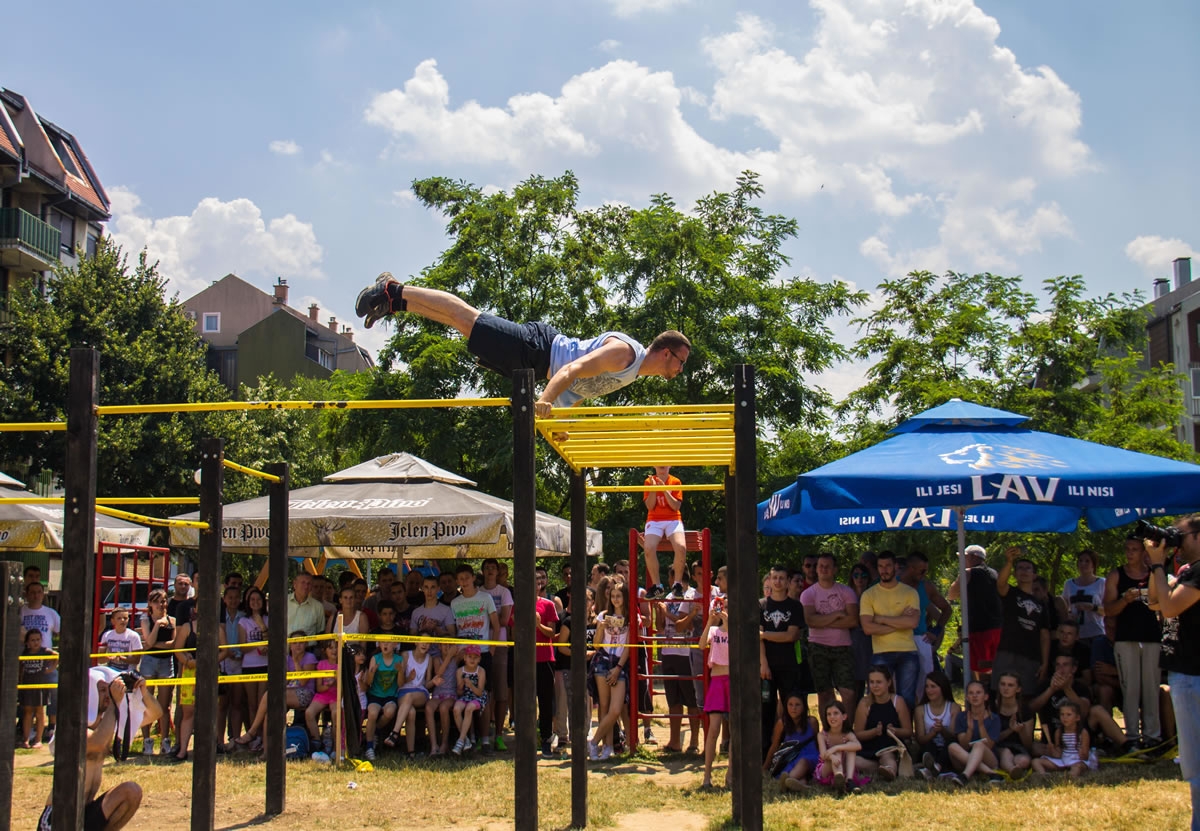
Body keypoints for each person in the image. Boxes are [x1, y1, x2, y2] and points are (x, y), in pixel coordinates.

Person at [354, 273, 691, 415]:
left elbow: (577, 392)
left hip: (535, 364)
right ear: (666, 352)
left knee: (465, 328)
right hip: (538, 348)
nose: (680, 369)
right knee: (469, 319)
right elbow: (572, 369)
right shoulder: (625, 353)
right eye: (681, 361)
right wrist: (544, 400)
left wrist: (557, 421)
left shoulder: (632, 373)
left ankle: (397, 304)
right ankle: (394, 289)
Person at [38, 669, 163, 831]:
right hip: (59, 815)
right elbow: (97, 742)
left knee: (131, 791)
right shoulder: (73, 726)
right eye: (102, 690)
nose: (107, 695)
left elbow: (155, 713)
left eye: (108, 689)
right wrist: (114, 704)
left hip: (86, 809)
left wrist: (143, 692)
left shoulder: (107, 724)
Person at [1147, 514, 1200, 829]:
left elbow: (1169, 608)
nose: (1175, 540)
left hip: (1194, 675)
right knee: (1193, 763)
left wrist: (1157, 564)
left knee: (1196, 763)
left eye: (1179, 535)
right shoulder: (1187, 572)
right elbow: (1156, 601)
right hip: (1184, 673)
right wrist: (1159, 565)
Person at [1105, 534, 1162, 748]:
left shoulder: (1154, 575)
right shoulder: (1116, 575)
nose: (1129, 553)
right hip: (1126, 638)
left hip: (1151, 638)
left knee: (1151, 688)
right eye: (1127, 549)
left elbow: (1164, 603)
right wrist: (1124, 601)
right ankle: (1131, 738)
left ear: (1143, 553)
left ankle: (1153, 737)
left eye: (1134, 549)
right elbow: (1108, 610)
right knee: (1130, 689)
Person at [858, 551, 921, 711]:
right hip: (881, 652)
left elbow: (913, 622)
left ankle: (905, 734)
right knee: (879, 697)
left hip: (907, 651)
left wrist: (881, 619)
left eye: (887, 566)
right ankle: (881, 732)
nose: (884, 570)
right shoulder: (869, 595)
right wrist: (900, 620)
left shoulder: (909, 592)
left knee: (907, 697)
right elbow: (867, 628)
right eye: (880, 566)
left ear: (895, 567)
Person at [801, 552, 860, 720]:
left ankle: (847, 730)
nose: (823, 569)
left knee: (848, 692)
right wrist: (837, 614)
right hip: (818, 647)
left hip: (843, 647)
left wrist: (823, 620)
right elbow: (811, 621)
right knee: (824, 693)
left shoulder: (846, 592)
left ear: (835, 569)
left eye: (827, 566)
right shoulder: (808, 594)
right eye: (820, 566)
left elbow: (853, 620)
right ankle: (827, 732)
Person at [450, 564, 500, 753]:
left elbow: (495, 624)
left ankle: (485, 739)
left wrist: (493, 647)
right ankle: (469, 738)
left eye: (466, 577)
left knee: (484, 695)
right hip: (463, 654)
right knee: (464, 696)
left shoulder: (485, 598)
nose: (464, 581)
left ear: (473, 578)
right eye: (460, 579)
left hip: (483, 652)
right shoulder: (455, 603)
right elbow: (455, 630)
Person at [992, 546, 1051, 701]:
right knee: (1000, 693)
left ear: (1034, 575)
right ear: (1015, 573)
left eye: (1028, 568)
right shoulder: (1011, 593)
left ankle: (1024, 725)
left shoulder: (1041, 604)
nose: (1024, 571)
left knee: (1026, 696)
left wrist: (1045, 663)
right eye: (1020, 568)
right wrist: (1009, 561)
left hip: (1031, 656)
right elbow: (1000, 583)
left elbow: (1044, 636)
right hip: (1007, 651)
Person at [759, 564, 804, 752]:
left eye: (781, 578)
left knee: (792, 709)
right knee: (766, 711)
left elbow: (791, 635)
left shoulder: (795, 606)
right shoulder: (760, 605)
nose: (777, 582)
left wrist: (764, 635)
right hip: (767, 668)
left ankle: (792, 748)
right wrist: (763, 663)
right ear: (769, 580)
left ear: (787, 582)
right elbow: (756, 638)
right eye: (774, 577)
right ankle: (765, 752)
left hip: (789, 665)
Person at [948, 544, 1004, 687]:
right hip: (997, 627)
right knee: (993, 663)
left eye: (964, 557)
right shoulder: (994, 573)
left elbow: (951, 594)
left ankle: (980, 692)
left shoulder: (968, 572)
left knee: (978, 667)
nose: (962, 561)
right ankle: (992, 690)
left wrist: (961, 577)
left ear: (972, 557)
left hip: (978, 628)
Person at [899, 551, 951, 704]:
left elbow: (947, 609)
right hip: (897, 638)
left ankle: (922, 716)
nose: (924, 574)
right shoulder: (893, 584)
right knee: (900, 682)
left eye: (926, 571)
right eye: (922, 571)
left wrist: (936, 630)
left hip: (920, 638)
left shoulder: (926, 587)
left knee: (925, 682)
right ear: (910, 568)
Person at [591, 582, 634, 761]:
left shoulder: (631, 617)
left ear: (625, 597)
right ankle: (606, 746)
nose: (616, 599)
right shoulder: (603, 615)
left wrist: (618, 668)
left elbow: (628, 647)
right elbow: (596, 644)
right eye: (613, 596)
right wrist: (600, 628)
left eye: (619, 596)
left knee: (616, 709)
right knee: (604, 706)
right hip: (602, 661)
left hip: (618, 664)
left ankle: (593, 741)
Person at [659, 567, 700, 754]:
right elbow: (660, 627)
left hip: (686, 652)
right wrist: (660, 612)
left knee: (691, 698)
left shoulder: (691, 595)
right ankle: (675, 741)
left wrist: (667, 613)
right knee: (673, 698)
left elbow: (686, 624)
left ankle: (693, 741)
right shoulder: (668, 597)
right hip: (668, 652)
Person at [853, 664, 911, 781]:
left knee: (887, 756)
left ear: (888, 682)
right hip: (869, 748)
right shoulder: (865, 703)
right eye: (872, 682)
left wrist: (895, 731)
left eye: (879, 682)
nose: (875, 686)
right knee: (854, 761)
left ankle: (889, 770)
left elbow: (908, 731)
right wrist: (874, 732)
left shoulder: (898, 702)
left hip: (890, 746)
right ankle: (882, 769)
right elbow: (858, 734)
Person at [480, 558, 513, 751]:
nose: (491, 571)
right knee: (483, 691)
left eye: (494, 568)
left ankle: (499, 734)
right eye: (487, 568)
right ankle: (482, 735)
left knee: (500, 691)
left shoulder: (504, 592)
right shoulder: (477, 592)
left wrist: (488, 620)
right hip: (480, 645)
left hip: (499, 644)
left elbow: (504, 620)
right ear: (483, 571)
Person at [138, 588, 176, 756]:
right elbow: (149, 641)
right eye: (158, 601)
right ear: (150, 604)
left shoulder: (172, 620)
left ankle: (165, 740)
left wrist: (153, 644)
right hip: (149, 662)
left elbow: (173, 644)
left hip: (166, 662)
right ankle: (147, 741)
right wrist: (158, 625)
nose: (162, 604)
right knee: (146, 702)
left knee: (164, 705)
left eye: (164, 601)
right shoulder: (146, 620)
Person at [641, 465, 689, 598]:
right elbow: (650, 506)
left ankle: (677, 584)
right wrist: (654, 489)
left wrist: (664, 489)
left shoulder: (675, 481)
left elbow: (675, 506)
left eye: (665, 461)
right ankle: (657, 586)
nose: (662, 464)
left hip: (673, 519)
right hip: (654, 520)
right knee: (648, 548)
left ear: (670, 465)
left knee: (681, 547)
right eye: (659, 461)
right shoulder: (648, 482)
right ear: (654, 465)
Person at [699, 598, 730, 789]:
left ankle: (731, 775)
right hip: (717, 681)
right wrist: (711, 621)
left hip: (732, 680)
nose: (723, 610)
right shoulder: (713, 630)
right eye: (721, 607)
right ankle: (707, 776)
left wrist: (728, 622)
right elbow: (702, 645)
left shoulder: (736, 630)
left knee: (735, 731)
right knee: (713, 730)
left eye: (727, 608)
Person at [946, 680, 1002, 786]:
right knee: (952, 746)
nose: (974, 696)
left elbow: (989, 745)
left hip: (988, 759)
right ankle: (990, 773)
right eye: (971, 693)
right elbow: (964, 746)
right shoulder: (962, 717)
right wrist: (970, 730)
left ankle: (965, 776)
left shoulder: (994, 718)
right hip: (965, 758)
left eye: (978, 693)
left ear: (985, 697)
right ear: (967, 697)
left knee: (979, 744)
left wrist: (981, 726)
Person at [386, 640, 435, 756]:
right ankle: (411, 752)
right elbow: (400, 683)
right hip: (404, 690)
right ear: (416, 643)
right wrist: (408, 677)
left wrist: (433, 681)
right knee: (411, 712)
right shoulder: (406, 655)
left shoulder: (429, 658)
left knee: (409, 697)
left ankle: (395, 732)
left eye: (427, 643)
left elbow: (427, 684)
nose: (424, 644)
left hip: (420, 691)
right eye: (422, 642)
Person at [765, 692, 821, 792]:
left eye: (797, 705)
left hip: (810, 756)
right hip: (791, 757)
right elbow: (774, 746)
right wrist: (765, 767)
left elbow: (817, 742)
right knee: (801, 775)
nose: (793, 708)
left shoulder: (812, 721)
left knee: (803, 762)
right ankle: (802, 786)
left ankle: (788, 779)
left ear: (804, 706)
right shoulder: (782, 723)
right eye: (790, 705)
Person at [914, 671, 959, 780]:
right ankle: (933, 767)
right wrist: (933, 733)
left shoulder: (954, 708)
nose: (929, 690)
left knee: (951, 744)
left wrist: (942, 730)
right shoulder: (920, 710)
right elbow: (920, 739)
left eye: (933, 686)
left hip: (947, 749)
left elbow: (953, 735)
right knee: (929, 745)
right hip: (929, 748)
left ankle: (935, 768)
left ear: (942, 687)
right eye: (927, 687)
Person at [362, 637, 401, 760]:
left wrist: (401, 671)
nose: (385, 644)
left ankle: (375, 732)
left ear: (395, 644)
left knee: (389, 712)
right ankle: (369, 747)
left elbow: (401, 683)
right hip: (375, 695)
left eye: (388, 642)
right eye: (382, 642)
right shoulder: (375, 658)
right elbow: (368, 683)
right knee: (372, 713)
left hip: (390, 696)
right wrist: (372, 673)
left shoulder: (399, 660)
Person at [1032, 701, 1094, 778]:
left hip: (1077, 760)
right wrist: (1052, 750)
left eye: (1069, 715)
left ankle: (1070, 776)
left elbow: (1085, 756)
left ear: (1077, 717)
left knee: (1077, 767)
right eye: (1062, 714)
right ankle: (1043, 774)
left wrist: (1082, 753)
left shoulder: (1083, 732)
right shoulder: (1059, 732)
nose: (1065, 717)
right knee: (1036, 761)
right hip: (1063, 759)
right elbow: (1058, 753)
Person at [814, 701, 863, 793]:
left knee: (849, 748)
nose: (832, 717)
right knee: (838, 752)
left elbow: (858, 745)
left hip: (843, 766)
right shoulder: (822, 735)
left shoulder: (848, 734)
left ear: (844, 717)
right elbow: (823, 755)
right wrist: (833, 756)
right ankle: (839, 780)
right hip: (827, 769)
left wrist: (836, 747)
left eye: (835, 713)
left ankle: (849, 781)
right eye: (829, 714)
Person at [992, 672, 1034, 777]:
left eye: (1010, 685)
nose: (1006, 688)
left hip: (1017, 747)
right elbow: (992, 738)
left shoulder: (1025, 709)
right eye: (1003, 684)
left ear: (1018, 689)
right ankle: (1012, 770)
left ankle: (1012, 766)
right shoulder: (992, 707)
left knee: (1024, 761)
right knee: (1005, 752)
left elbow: (1028, 744)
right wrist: (1010, 730)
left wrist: (1021, 731)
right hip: (998, 746)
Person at [20, 629, 56, 747]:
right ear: (27, 642)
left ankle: (38, 740)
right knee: (27, 712)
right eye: (32, 640)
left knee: (40, 712)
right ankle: (26, 739)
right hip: (28, 685)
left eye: (38, 640)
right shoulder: (24, 653)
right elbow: (20, 668)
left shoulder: (45, 651)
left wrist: (50, 669)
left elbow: (57, 656)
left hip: (40, 685)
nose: (35, 642)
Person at [452, 645, 489, 755]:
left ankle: (460, 741)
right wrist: (461, 685)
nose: (472, 660)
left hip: (478, 697)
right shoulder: (460, 671)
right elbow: (459, 692)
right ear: (465, 658)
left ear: (479, 659)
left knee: (469, 708)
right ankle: (465, 740)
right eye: (469, 656)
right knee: (456, 709)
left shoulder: (481, 671)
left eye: (475, 657)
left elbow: (480, 692)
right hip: (465, 696)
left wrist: (471, 685)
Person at [306, 638, 341, 750]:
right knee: (309, 713)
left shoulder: (342, 665)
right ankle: (317, 741)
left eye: (336, 647)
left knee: (336, 713)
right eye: (330, 648)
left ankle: (336, 746)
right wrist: (330, 684)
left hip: (337, 695)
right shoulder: (321, 664)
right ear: (324, 651)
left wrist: (336, 681)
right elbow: (319, 688)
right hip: (323, 694)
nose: (334, 650)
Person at [100, 608, 143, 673]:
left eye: (125, 618)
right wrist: (109, 658)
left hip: (128, 672)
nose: (122, 620)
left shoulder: (134, 636)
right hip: (111, 671)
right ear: (112, 621)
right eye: (119, 618)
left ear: (128, 620)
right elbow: (100, 659)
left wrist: (121, 657)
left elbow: (136, 660)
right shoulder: (106, 635)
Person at [286, 572, 326, 638]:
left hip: (309, 647)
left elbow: (320, 632)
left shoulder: (318, 607)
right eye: (303, 582)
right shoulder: (283, 602)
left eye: (309, 583)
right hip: (284, 647)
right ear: (295, 584)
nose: (306, 586)